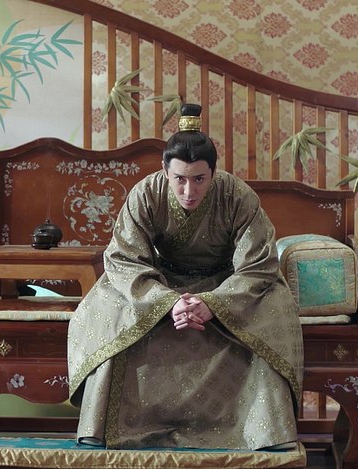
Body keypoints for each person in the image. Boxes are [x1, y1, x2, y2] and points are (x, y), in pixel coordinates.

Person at [67, 103, 303, 451]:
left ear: (213, 173)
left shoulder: (237, 196)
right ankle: (108, 427)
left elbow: (258, 264)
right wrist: (168, 303)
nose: (189, 191)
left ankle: (263, 431)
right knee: (105, 308)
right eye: (179, 179)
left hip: (225, 285)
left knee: (274, 306)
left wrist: (213, 304)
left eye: (199, 179)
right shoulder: (145, 194)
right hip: (160, 285)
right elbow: (123, 260)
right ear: (165, 171)